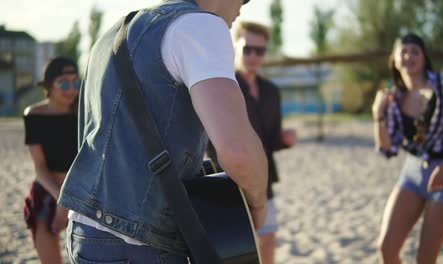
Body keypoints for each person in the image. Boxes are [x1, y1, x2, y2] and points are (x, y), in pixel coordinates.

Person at [57, 0, 268, 263]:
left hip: (84, 231)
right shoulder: (201, 25)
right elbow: (239, 152)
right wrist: (258, 205)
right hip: (139, 243)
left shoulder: (111, 35)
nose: (243, 7)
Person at [206, 21, 296, 264]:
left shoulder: (271, 91)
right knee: (235, 251)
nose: (254, 56)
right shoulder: (220, 85)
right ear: (235, 46)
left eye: (260, 50)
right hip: (227, 182)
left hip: (264, 177)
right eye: (248, 49)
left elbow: (271, 140)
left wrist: (285, 140)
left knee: (267, 241)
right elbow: (210, 140)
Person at [372, 33, 443, 264]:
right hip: (412, 173)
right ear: (394, 60)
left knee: (425, 257)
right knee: (386, 248)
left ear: (424, 58)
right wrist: (378, 116)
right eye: (403, 51)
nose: (409, 56)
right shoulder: (393, 99)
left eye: (415, 51)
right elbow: (388, 148)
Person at [23, 57, 80, 263]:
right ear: (48, 85)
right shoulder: (34, 115)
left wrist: (68, 201)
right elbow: (40, 168)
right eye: (64, 82)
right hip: (48, 191)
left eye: (76, 82)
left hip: (83, 192)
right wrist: (61, 201)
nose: (71, 88)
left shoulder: (83, 111)